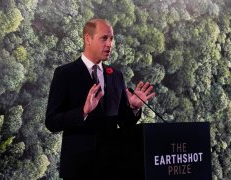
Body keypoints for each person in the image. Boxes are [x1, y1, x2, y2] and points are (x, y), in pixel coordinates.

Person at [45, 18, 155, 180]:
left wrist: (133, 107)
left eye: (111, 39)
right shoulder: (65, 74)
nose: (109, 44)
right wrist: (82, 112)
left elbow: (125, 123)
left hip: (112, 167)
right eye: (104, 38)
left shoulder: (116, 76)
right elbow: (52, 122)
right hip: (79, 169)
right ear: (88, 39)